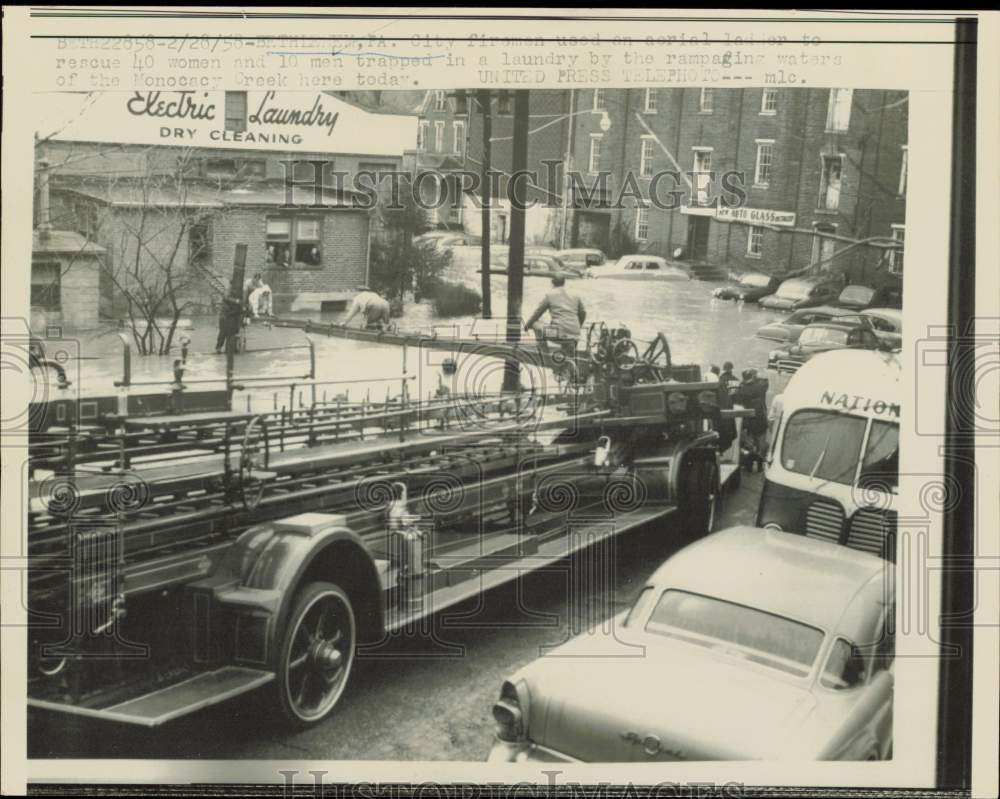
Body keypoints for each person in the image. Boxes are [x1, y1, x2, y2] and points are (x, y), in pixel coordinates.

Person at [523, 273, 587, 363]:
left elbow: (537, 314)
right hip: (575, 335)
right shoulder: (575, 295)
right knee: (564, 332)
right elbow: (583, 313)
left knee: (536, 324)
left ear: (552, 283)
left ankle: (545, 357)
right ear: (564, 283)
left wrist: (527, 326)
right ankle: (567, 351)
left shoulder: (550, 295)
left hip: (558, 334)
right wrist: (577, 327)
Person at [733, 368, 770, 472]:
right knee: (761, 444)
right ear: (753, 377)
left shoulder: (740, 389)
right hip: (760, 420)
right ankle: (759, 466)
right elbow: (766, 381)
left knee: (749, 444)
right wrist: (757, 377)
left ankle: (748, 465)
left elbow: (736, 402)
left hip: (748, 421)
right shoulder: (760, 387)